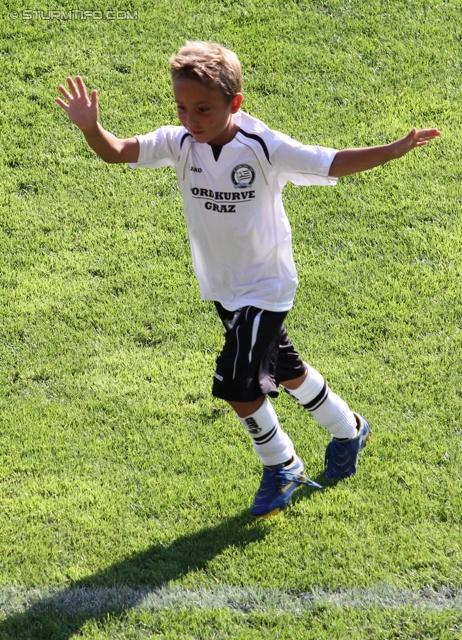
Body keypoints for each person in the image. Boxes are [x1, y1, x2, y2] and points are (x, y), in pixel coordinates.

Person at [57, 42, 440, 519]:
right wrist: (92, 127)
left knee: (238, 384)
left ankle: (281, 463)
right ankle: (349, 430)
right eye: (181, 107)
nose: (190, 118)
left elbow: (331, 160)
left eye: (203, 109)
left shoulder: (262, 146)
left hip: (266, 286)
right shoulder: (179, 142)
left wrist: (395, 148)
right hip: (222, 285)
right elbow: (117, 153)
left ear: (235, 103)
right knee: (284, 369)